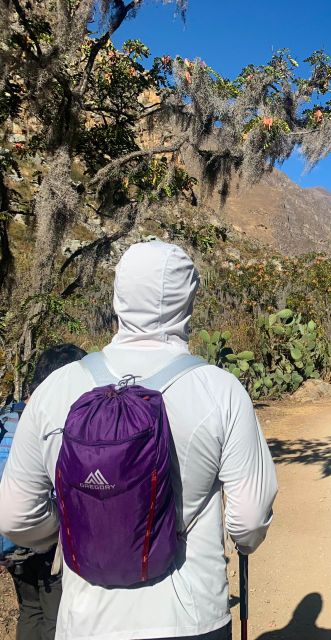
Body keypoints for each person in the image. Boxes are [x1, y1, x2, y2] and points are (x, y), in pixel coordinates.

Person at [0, 241, 279, 640]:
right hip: (191, 617)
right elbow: (248, 521)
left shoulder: (55, 389)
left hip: (86, 621)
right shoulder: (220, 389)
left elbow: (14, 515)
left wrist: (77, 526)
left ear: (117, 296)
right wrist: (246, 543)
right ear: (189, 300)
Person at [1, 344, 87, 640]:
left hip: (9, 541)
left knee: (30, 610)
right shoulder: (51, 419)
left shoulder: (10, 418)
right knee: (56, 614)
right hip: (44, 536)